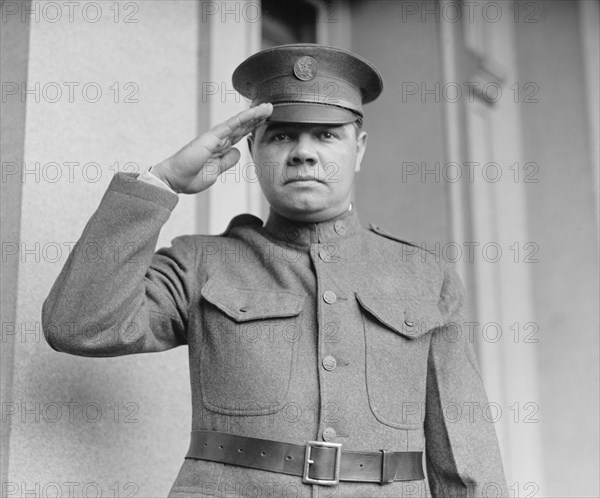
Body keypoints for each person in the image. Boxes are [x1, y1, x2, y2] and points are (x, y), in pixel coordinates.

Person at [42, 44, 508, 497]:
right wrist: (160, 183)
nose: (303, 153)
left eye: (326, 135)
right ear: (251, 149)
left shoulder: (424, 277)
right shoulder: (200, 264)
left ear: (359, 149)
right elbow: (80, 325)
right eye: (282, 135)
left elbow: (466, 454)